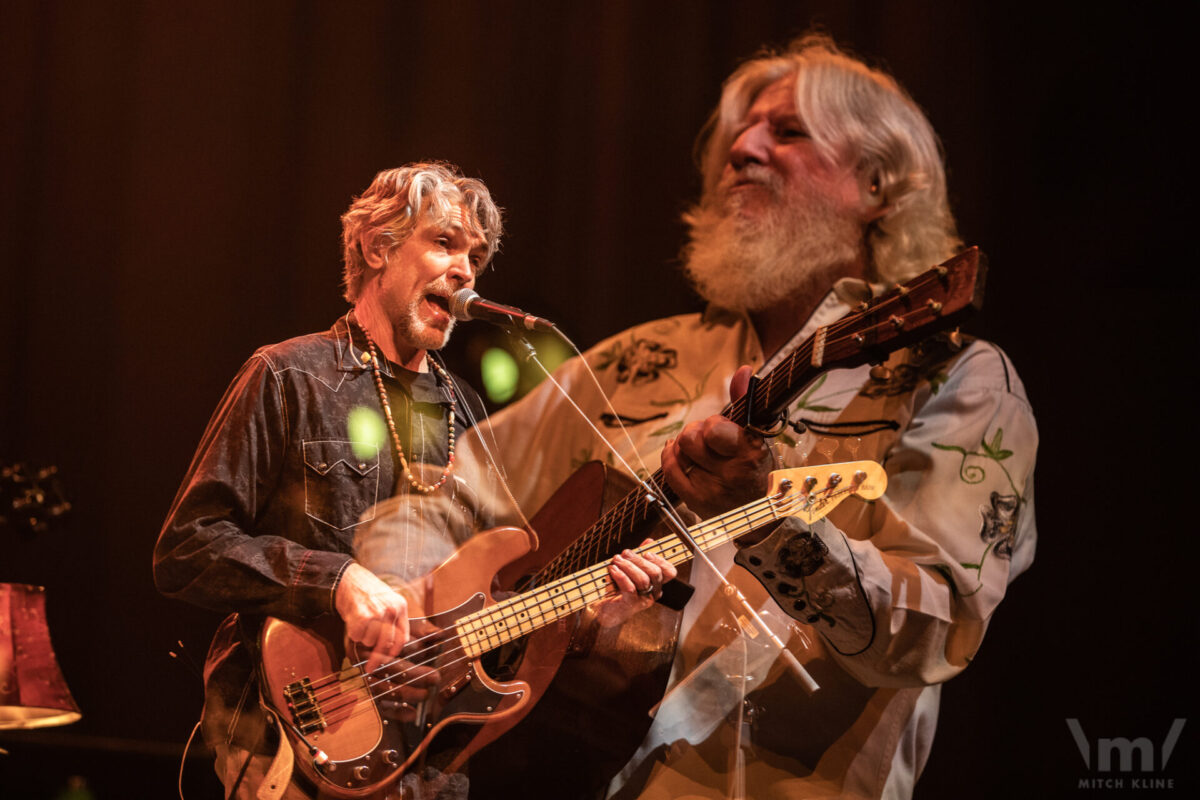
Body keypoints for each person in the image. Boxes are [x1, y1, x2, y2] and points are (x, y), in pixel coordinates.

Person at [474, 34, 1037, 800]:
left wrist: (768, 522)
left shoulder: (956, 381)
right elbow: (447, 491)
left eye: (789, 131)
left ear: (877, 185)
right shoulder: (638, 358)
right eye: (742, 132)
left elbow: (936, 626)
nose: (742, 147)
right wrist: (409, 621)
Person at [153, 161, 677, 800]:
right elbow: (187, 548)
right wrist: (338, 581)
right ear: (378, 248)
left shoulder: (465, 411)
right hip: (288, 741)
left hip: (426, 761)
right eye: (445, 243)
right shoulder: (289, 376)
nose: (466, 271)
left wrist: (595, 608)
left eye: (476, 257)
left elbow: (497, 602)